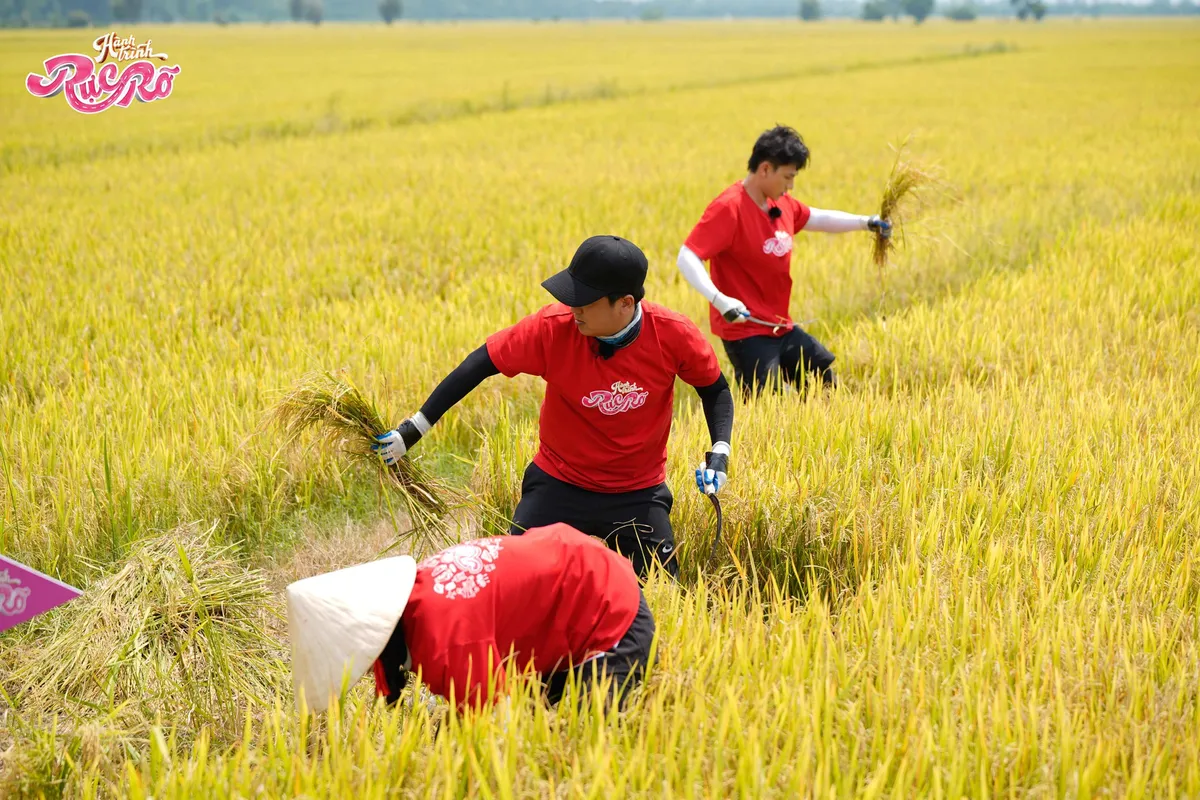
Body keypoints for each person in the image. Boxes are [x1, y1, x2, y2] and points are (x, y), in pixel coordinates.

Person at [372, 235, 734, 579]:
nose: (572, 308)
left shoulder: (673, 334)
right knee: (512, 579)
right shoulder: (553, 328)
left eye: (584, 301)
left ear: (625, 303)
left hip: (637, 493)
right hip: (559, 484)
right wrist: (415, 427)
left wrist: (719, 452)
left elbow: (715, 389)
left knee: (662, 589)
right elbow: (481, 363)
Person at [287, 523, 655, 713]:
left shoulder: (447, 646)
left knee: (585, 741)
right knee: (538, 708)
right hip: (580, 569)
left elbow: (491, 728)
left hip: (610, 615)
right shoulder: (419, 591)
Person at [676, 125, 893, 396]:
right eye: (788, 177)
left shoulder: (781, 203)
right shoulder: (729, 208)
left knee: (823, 379)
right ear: (765, 169)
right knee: (769, 399)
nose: (790, 186)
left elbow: (817, 218)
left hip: (780, 326)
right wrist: (720, 300)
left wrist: (866, 222)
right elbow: (687, 256)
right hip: (746, 330)